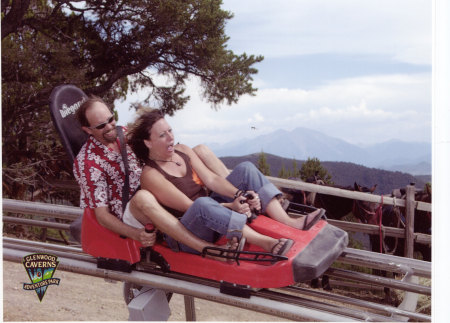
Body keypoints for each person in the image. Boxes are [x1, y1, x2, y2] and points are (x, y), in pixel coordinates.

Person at [127, 109, 325, 256]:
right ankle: (265, 243)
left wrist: (240, 195)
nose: (171, 137)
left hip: (211, 210)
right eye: (162, 135)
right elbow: (189, 207)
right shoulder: (150, 174)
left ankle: (288, 221)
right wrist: (232, 206)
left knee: (245, 168)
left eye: (170, 130)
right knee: (201, 204)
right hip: (190, 230)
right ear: (148, 142)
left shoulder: (183, 150)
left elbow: (212, 180)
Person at [73, 95, 234, 255]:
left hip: (154, 185)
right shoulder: (88, 162)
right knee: (143, 197)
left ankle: (241, 202)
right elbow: (102, 216)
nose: (109, 127)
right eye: (101, 125)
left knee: (199, 150)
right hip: (134, 209)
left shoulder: (123, 133)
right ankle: (208, 249)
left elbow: (153, 147)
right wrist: (136, 234)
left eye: (111, 119)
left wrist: (183, 154)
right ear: (88, 130)